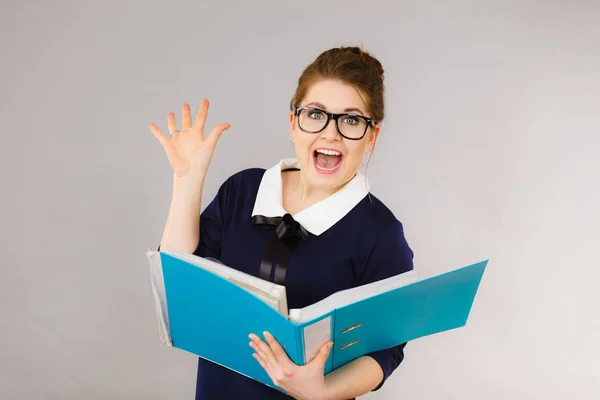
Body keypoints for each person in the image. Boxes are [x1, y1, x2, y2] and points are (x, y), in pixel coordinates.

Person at [149, 45, 414, 400]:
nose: (330, 134)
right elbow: (180, 276)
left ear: (371, 137)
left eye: (351, 120)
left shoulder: (380, 233)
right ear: (293, 123)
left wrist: (322, 391)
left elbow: (386, 349)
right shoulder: (243, 191)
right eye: (315, 114)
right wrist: (187, 180)